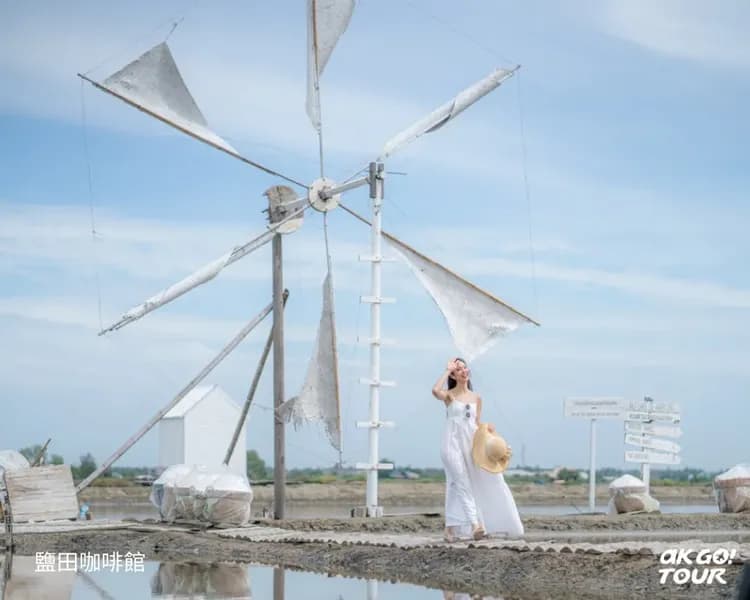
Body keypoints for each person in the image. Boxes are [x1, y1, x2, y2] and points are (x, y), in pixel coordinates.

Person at [432, 357, 524, 542]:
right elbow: (435, 391)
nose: (463, 371)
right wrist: (447, 370)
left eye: (464, 368)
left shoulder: (477, 398)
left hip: (471, 444)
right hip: (451, 444)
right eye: (458, 369)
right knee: (462, 482)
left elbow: (476, 423)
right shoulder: (449, 396)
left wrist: (488, 429)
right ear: (453, 375)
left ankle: (450, 529)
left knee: (456, 484)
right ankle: (475, 526)